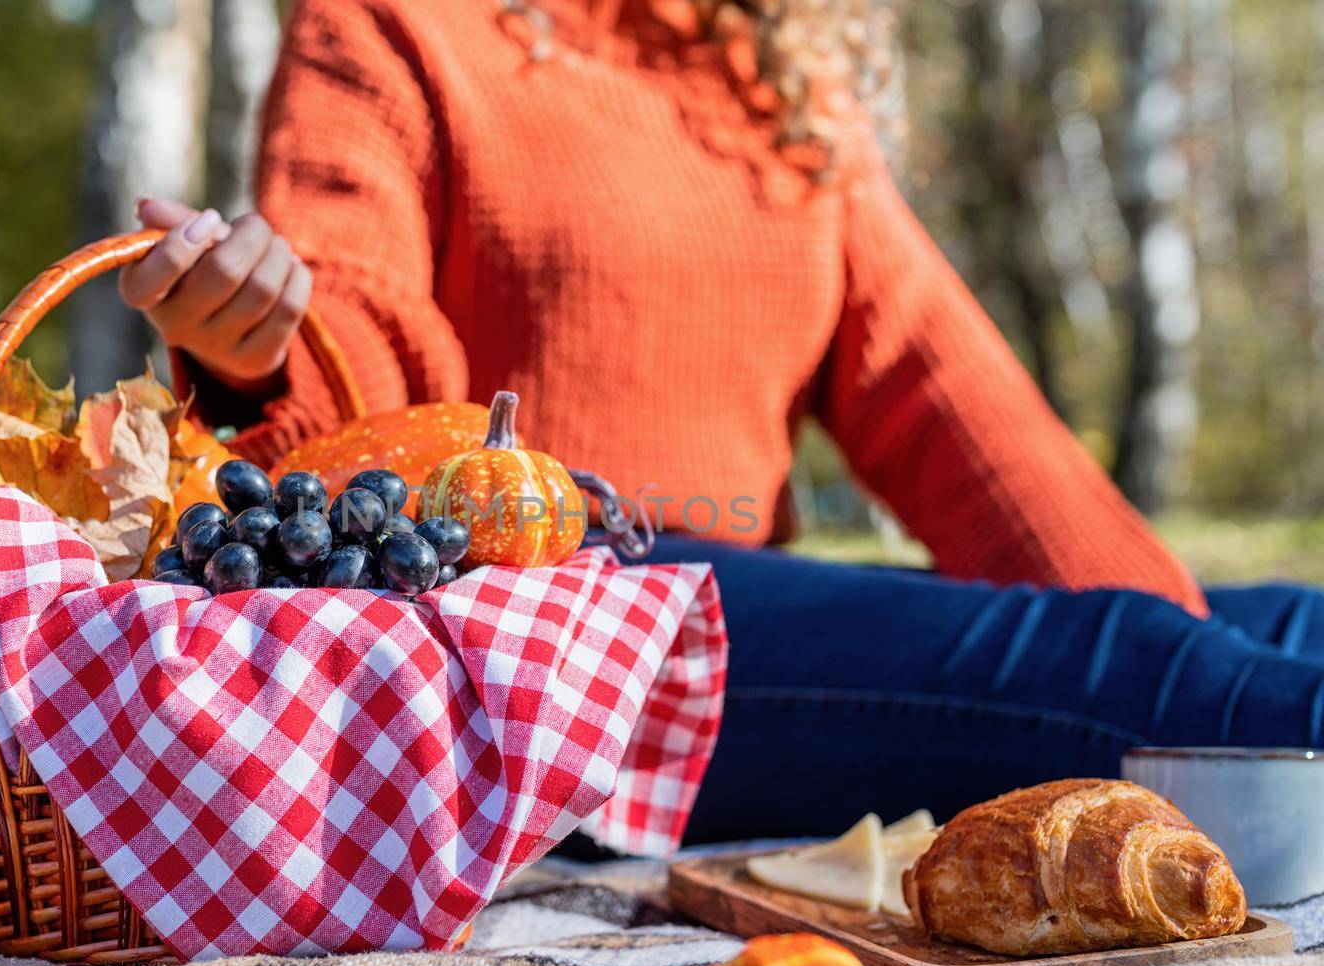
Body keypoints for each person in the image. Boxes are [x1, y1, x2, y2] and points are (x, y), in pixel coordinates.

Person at [117, 0, 1324, 840]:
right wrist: (252, 352)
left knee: (1284, 623)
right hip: (544, 642)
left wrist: (1167, 630)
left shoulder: (776, 88)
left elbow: (958, 412)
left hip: (734, 617)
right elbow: (354, 371)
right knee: (1166, 669)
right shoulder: (392, 24)